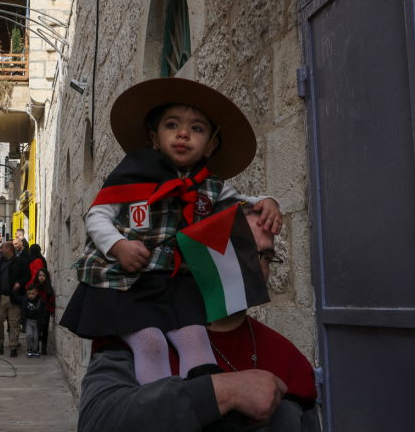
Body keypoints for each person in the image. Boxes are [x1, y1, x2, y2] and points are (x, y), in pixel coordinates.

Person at [59, 78, 283, 385]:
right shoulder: (133, 172)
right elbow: (98, 215)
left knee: (195, 336)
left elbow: (240, 204)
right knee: (151, 342)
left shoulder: (210, 186)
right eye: (172, 124)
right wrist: (118, 246)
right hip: (127, 282)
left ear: (211, 144)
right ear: (154, 137)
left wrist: (267, 202)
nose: (183, 134)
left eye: (197, 129)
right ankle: (160, 402)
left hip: (172, 282)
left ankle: (204, 395)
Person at [78, 202, 318, 432]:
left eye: (265, 256)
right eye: (240, 248)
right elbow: (97, 422)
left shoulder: (289, 359)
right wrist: (224, 391)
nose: (255, 265)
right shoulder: (135, 335)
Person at [0, 241, 30, 357]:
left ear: (8, 249)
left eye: (2, 248)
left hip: (15, 298)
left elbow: (27, 275)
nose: (0, 250)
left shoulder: (21, 262)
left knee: (14, 323)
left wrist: (20, 283)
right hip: (0, 298)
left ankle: (13, 346)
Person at [13, 283, 49, 358]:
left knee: (36, 337)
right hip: (28, 321)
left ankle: (35, 350)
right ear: (27, 293)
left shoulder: (40, 301)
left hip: (36, 322)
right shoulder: (25, 300)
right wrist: (23, 322)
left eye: (32, 294)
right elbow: (22, 310)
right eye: (29, 294)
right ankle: (29, 349)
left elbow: (44, 312)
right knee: (29, 335)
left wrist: (42, 322)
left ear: (36, 292)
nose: (31, 295)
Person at [33, 267, 55, 355]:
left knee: (45, 330)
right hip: (36, 311)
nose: (41, 277)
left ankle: (44, 347)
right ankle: (36, 345)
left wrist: (52, 311)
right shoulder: (35, 287)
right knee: (37, 329)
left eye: (43, 276)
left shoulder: (48, 288)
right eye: (40, 275)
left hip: (46, 312)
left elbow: (52, 301)